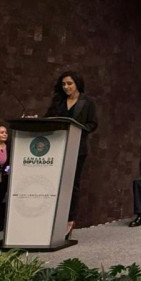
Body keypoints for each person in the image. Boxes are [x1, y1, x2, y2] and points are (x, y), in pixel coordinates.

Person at [44, 70, 98, 239]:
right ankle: (50, 218)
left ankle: (69, 219)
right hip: (57, 147)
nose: (66, 87)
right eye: (63, 84)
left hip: (77, 148)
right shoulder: (58, 101)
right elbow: (48, 119)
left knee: (72, 184)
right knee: (54, 182)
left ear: (77, 84)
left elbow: (92, 124)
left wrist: (78, 129)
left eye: (69, 83)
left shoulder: (87, 102)